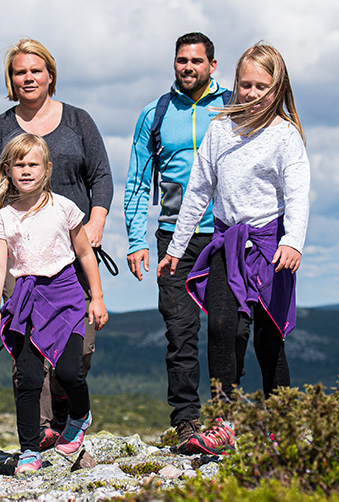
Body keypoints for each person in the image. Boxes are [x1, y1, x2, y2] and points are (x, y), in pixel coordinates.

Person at [157, 42, 310, 455]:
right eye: (245, 85)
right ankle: (225, 423)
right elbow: (198, 191)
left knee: (267, 339)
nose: (252, 94)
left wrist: (293, 241)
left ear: (277, 88)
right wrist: (176, 246)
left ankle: (282, 424)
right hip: (227, 243)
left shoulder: (285, 136)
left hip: (270, 246)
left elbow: (297, 195)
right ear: (236, 84)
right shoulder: (220, 128)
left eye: (262, 86)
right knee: (223, 329)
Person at [0, 39, 112, 451]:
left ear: (50, 75)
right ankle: (40, 432)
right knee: (27, 353)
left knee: (77, 356)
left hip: (73, 250)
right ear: (11, 79)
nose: (27, 77)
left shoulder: (78, 121)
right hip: (20, 256)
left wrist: (96, 221)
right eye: (18, 72)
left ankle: (66, 415)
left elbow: (101, 177)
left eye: (35, 70)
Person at [122, 32, 232, 455]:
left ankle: (226, 417)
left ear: (212, 65)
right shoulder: (155, 113)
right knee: (180, 332)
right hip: (172, 238)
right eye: (181, 61)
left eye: (196, 61)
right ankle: (186, 422)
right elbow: (136, 181)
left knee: (227, 329)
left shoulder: (232, 107)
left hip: (223, 232)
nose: (188, 68)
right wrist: (135, 240)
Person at [0, 133, 108, 473]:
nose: (26, 171)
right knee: (28, 378)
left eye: (32, 164)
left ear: (47, 169)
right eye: (19, 165)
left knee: (69, 372)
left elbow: (85, 253)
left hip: (65, 297)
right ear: (8, 170)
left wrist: (96, 298)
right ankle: (28, 450)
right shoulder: (4, 217)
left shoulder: (65, 208)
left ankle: (80, 416)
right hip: (25, 300)